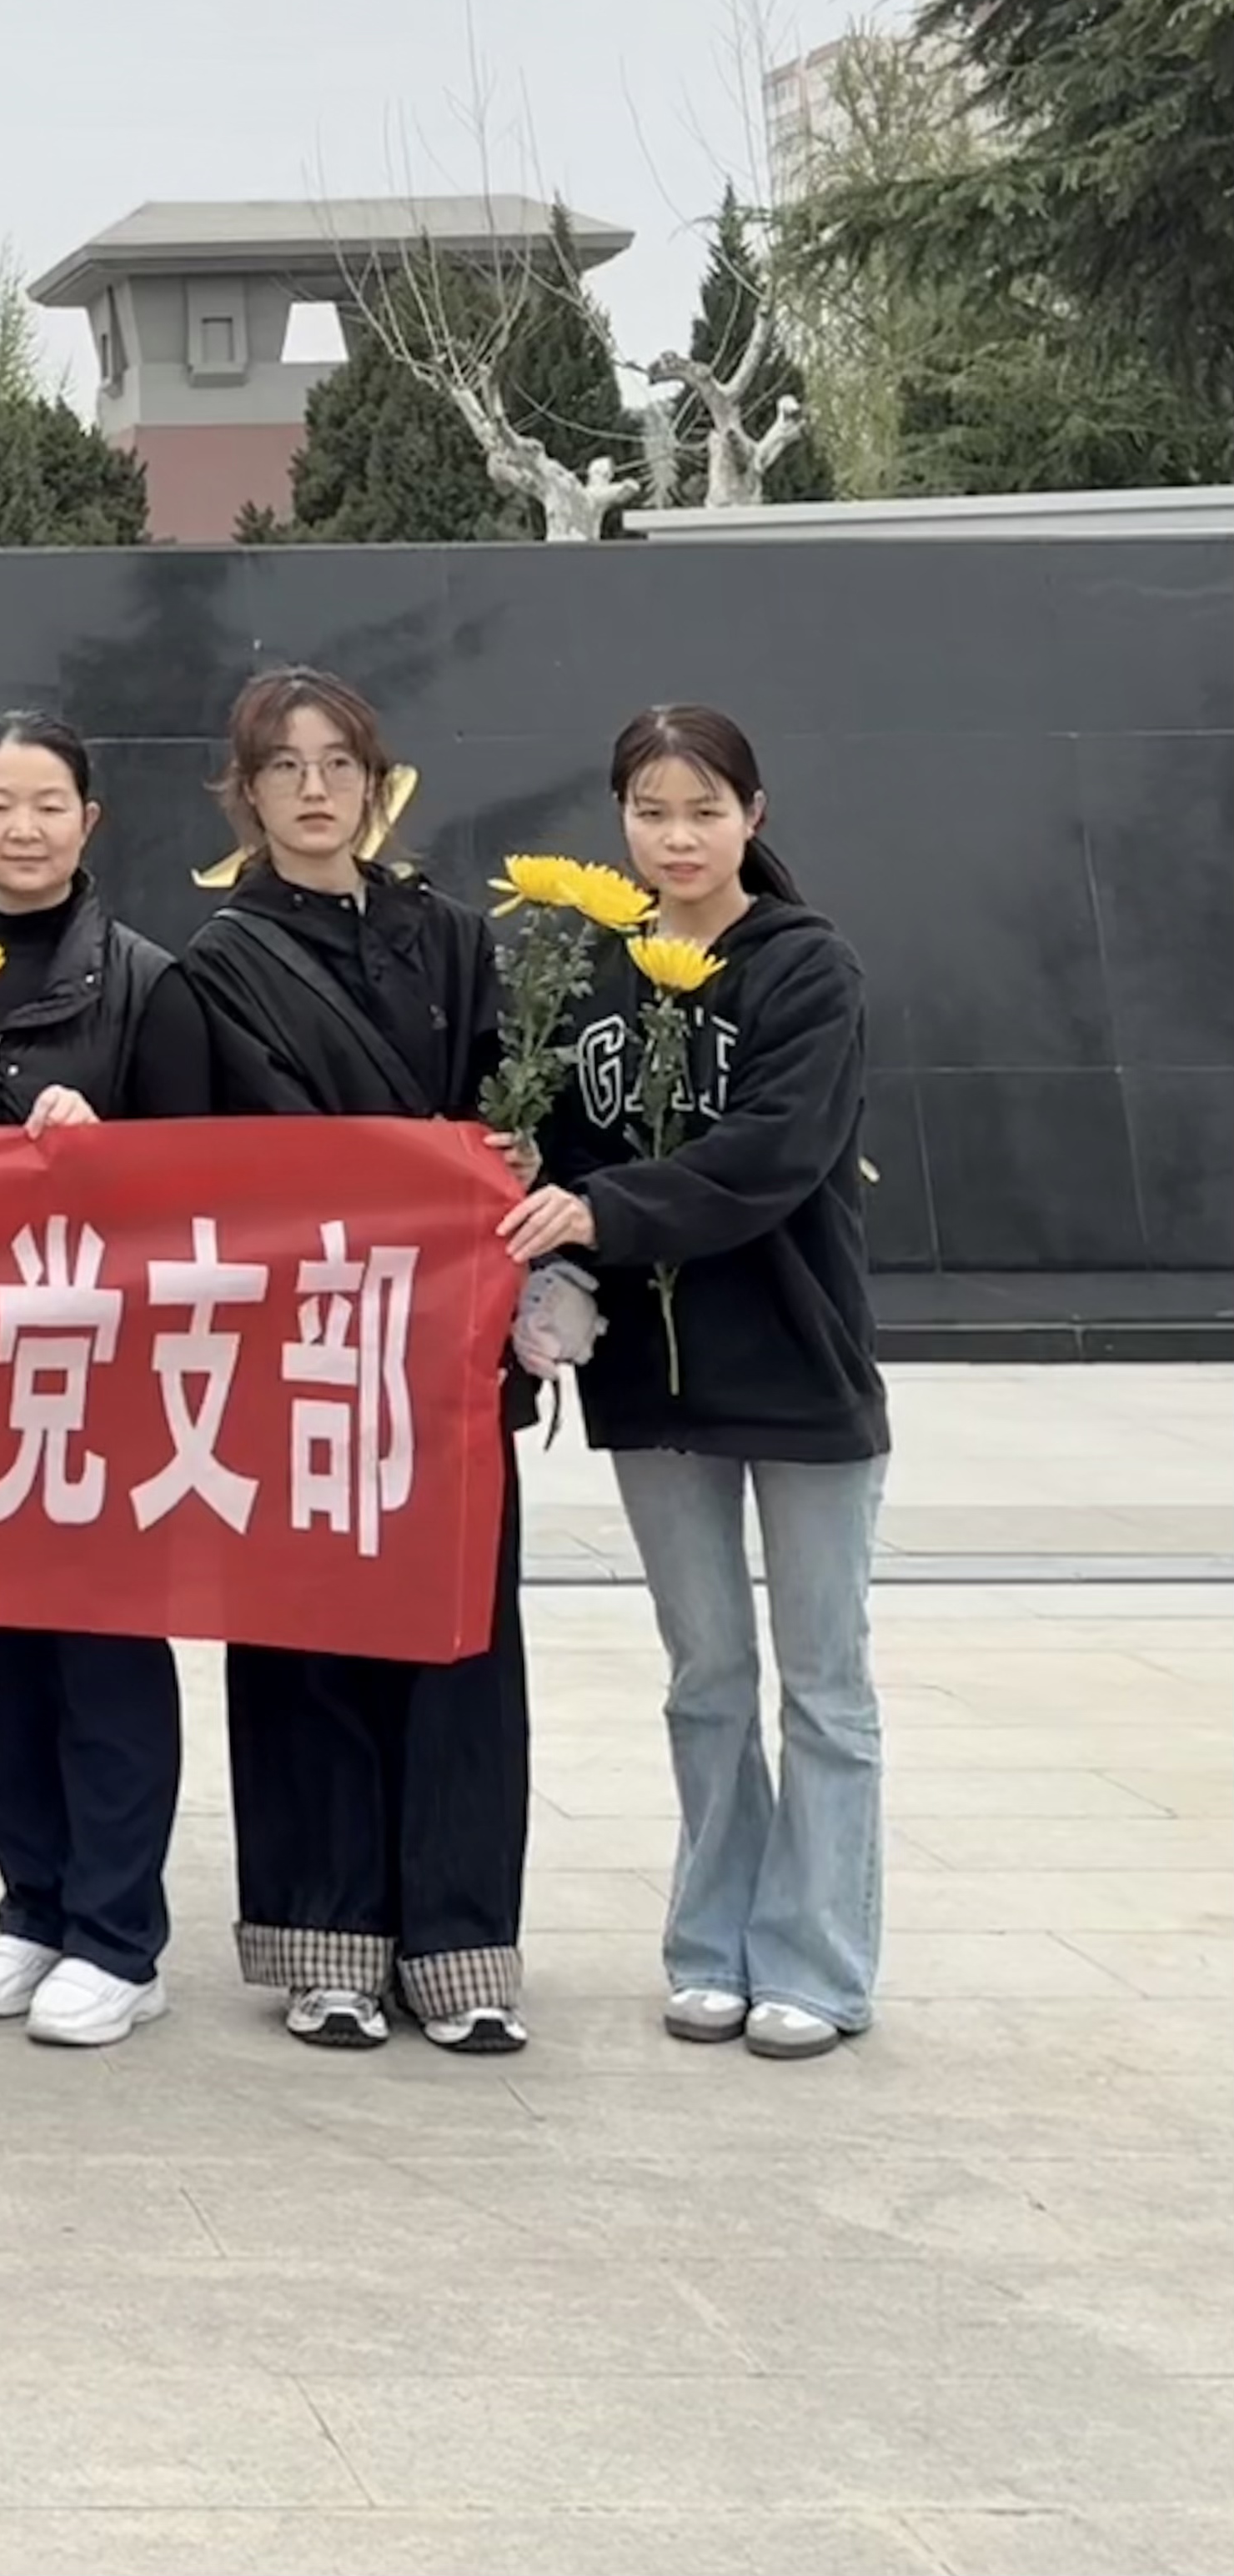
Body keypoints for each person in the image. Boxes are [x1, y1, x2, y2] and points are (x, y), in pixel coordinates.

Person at [504, 704, 887, 2060]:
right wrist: (538, 1224)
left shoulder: (805, 968)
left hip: (795, 1364)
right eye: (650, 812)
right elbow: (552, 1148)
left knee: (822, 1683)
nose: (676, 839)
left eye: (703, 812)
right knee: (706, 1674)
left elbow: (775, 1151)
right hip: (654, 1385)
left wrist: (601, 1213)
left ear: (752, 818)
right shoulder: (586, 977)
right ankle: (710, 1946)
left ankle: (818, 1965)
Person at [175, 665, 538, 2054]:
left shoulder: (451, 940)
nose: (314, 789)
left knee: (460, 1644)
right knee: (305, 1644)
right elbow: (227, 1160)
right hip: (300, 1350)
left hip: (441, 1353)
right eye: (284, 766)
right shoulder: (216, 962)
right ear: (245, 793)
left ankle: (459, 1946)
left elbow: (501, 1112)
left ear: (376, 787)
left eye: (338, 764)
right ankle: (325, 1943)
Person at [0, 712, 215, 2052]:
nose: (21, 828)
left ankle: (118, 1936)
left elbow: (203, 1185)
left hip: (107, 1380)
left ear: (88, 822)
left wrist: (111, 1145)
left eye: (47, 804)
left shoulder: (149, 984)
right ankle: (32, 1905)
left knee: (103, 1653)